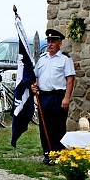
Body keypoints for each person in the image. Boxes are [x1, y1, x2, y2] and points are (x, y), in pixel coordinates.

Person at [31, 29, 75, 164]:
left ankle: (59, 154)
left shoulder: (65, 59)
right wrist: (34, 87)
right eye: (48, 41)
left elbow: (70, 79)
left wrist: (66, 98)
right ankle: (48, 153)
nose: (50, 44)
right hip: (44, 96)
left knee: (58, 126)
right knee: (45, 126)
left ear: (59, 43)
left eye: (53, 41)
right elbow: (36, 77)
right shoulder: (42, 59)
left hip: (58, 96)